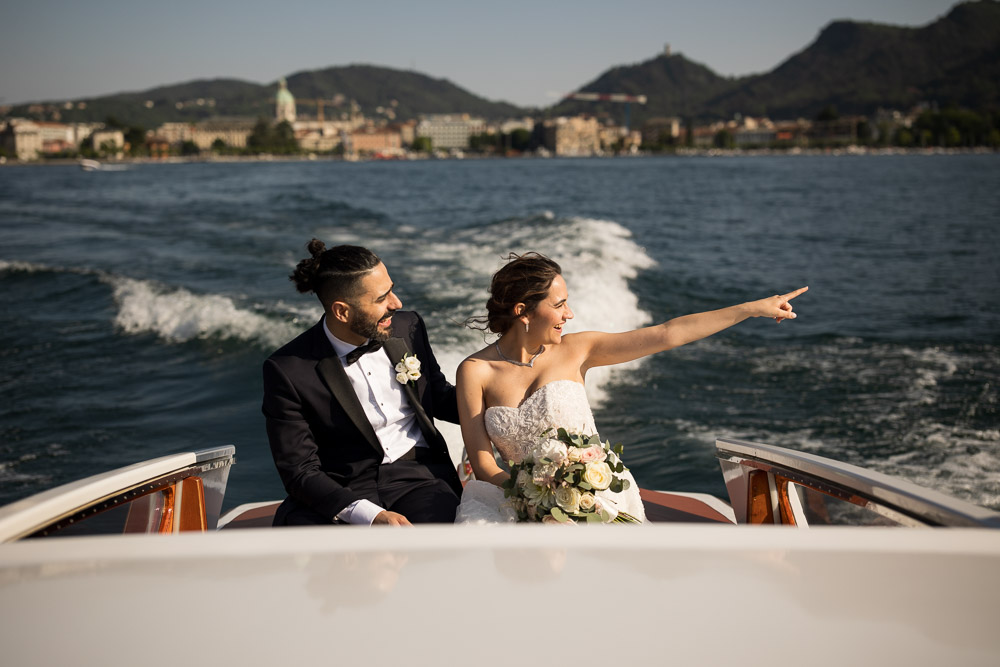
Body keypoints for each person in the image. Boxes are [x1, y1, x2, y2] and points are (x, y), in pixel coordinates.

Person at [454, 252, 807, 524]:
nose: (569, 314)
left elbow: (668, 333)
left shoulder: (579, 349)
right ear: (523, 312)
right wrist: (538, 497)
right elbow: (484, 465)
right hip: (516, 502)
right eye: (559, 305)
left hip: (596, 498)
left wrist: (750, 309)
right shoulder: (474, 371)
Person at [262, 239, 462, 526]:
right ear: (342, 311)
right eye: (381, 299)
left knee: (438, 542)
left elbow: (439, 397)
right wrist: (370, 515)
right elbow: (299, 470)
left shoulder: (409, 327)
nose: (397, 303)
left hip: (419, 478)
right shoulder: (287, 370)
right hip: (343, 487)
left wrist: (504, 404)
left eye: (391, 289)